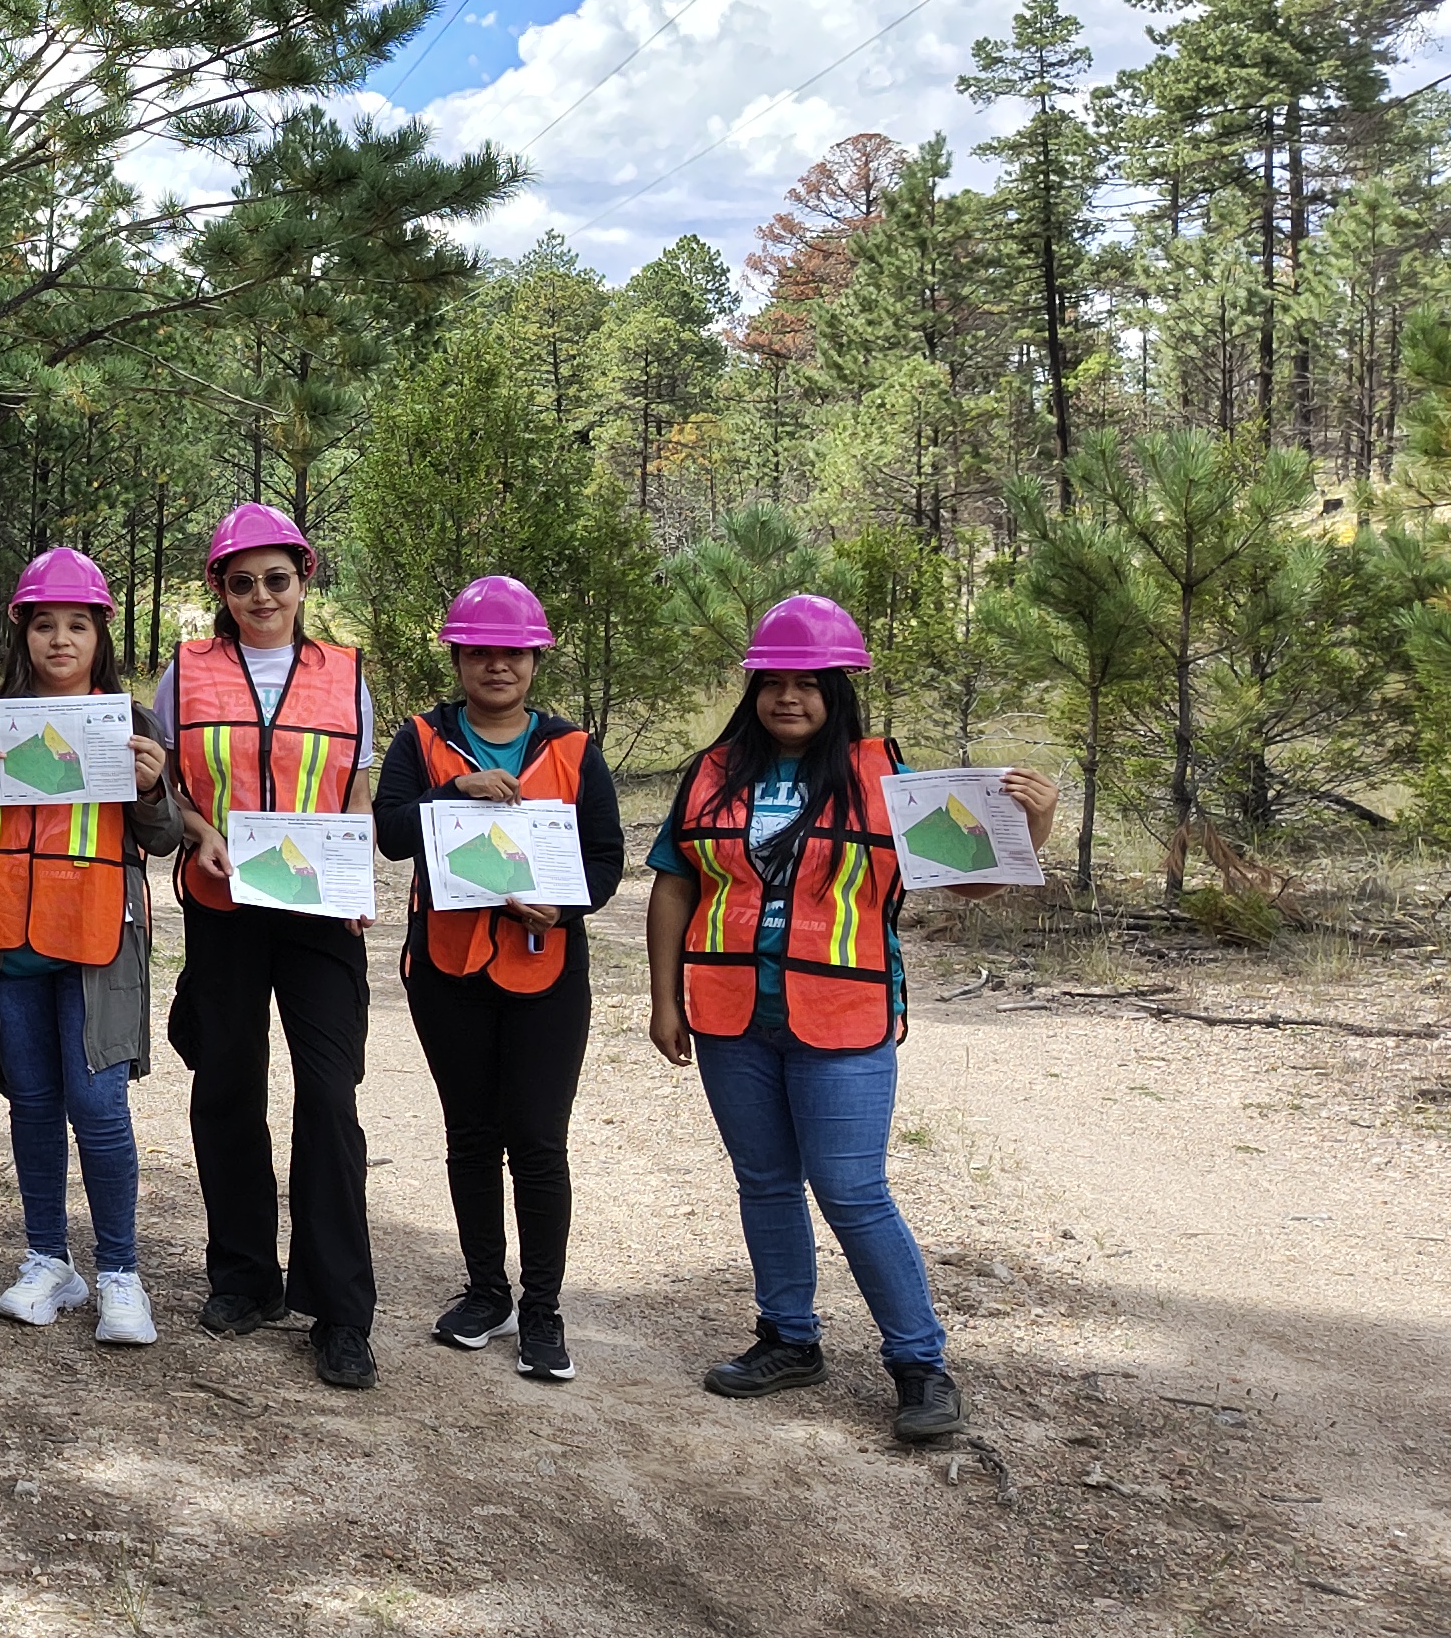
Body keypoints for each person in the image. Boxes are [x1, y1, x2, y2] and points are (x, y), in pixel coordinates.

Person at [644, 594, 1055, 1446]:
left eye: (808, 684)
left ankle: (919, 1364)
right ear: (752, 687)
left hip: (843, 1011)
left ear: (840, 689)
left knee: (852, 1190)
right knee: (763, 1180)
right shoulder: (714, 771)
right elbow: (676, 882)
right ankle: (788, 1340)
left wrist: (1034, 828)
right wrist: (663, 997)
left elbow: (961, 881)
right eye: (772, 682)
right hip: (729, 1012)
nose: (788, 698)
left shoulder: (885, 780)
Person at [365, 576, 627, 1389]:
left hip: (546, 970)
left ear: (536, 658)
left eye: (513, 652)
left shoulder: (576, 749)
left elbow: (606, 857)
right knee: (472, 1134)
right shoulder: (422, 738)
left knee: (538, 1142)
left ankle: (543, 1311)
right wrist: (454, 790)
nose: (497, 665)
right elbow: (391, 834)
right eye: (480, 650)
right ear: (458, 656)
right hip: (447, 969)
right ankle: (487, 1293)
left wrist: (564, 904)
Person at [152, 501, 386, 1391]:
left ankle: (339, 1310)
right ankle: (245, 1278)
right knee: (227, 1087)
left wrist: (354, 861)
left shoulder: (346, 673)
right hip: (223, 903)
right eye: (241, 582)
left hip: (322, 914)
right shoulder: (188, 670)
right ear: (220, 587)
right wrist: (199, 830)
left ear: (304, 579)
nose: (260, 596)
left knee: (329, 1097)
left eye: (275, 580)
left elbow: (359, 784)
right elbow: (164, 781)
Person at [0, 550, 181, 1351]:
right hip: (5, 939)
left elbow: (166, 836)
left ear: (99, 634)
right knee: (34, 1104)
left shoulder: (132, 721)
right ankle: (48, 1259)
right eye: (45, 624)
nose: (60, 640)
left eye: (77, 625)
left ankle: (121, 1272)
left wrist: (151, 788)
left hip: (97, 941)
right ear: (23, 633)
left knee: (100, 1106)